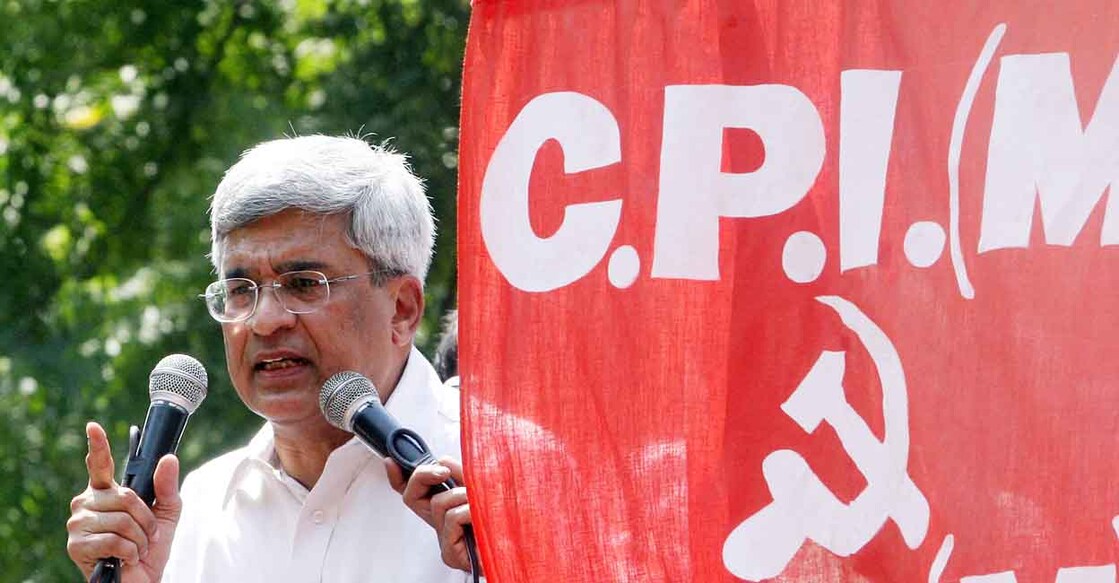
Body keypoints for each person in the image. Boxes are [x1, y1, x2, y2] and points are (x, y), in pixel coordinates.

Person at [65, 135, 475, 582]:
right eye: (241, 290)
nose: (263, 322)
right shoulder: (199, 510)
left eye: (303, 284)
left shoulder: (500, 478)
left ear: (402, 309)